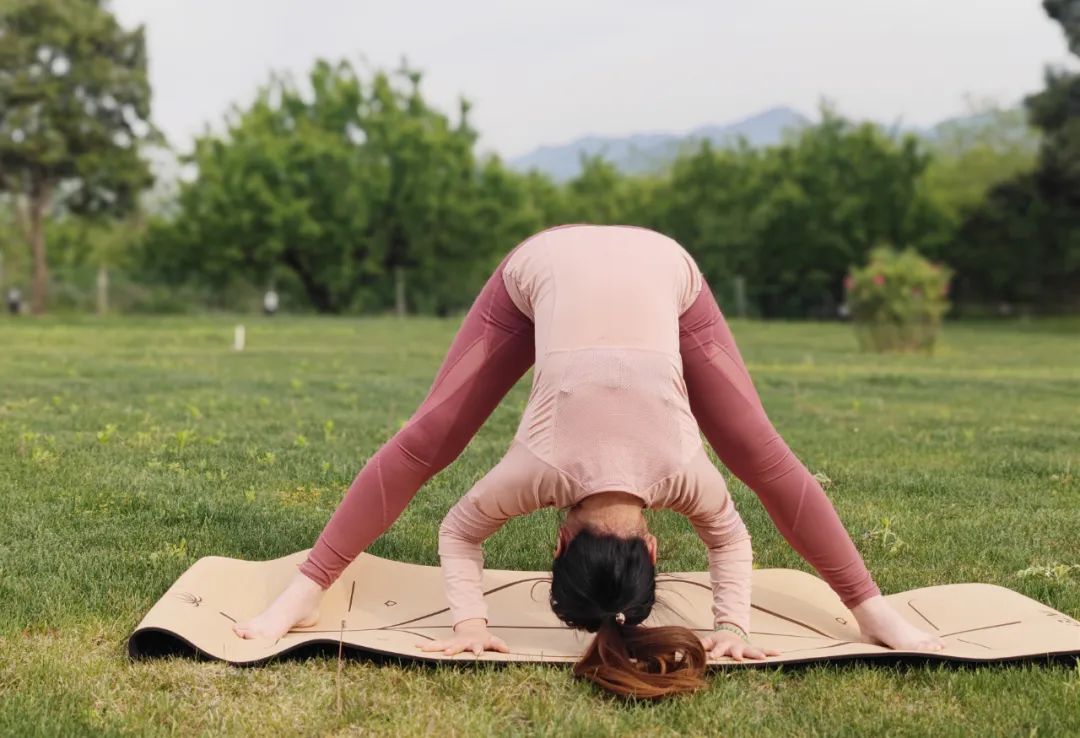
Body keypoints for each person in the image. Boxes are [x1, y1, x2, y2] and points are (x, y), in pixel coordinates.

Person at [233, 226, 944, 691]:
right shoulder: (542, 472)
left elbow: (728, 536)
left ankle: (302, 592)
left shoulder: (680, 478)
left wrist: (731, 630)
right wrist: (735, 628)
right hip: (566, 272)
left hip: (661, 274)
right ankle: (871, 608)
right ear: (561, 539)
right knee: (762, 456)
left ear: (652, 548)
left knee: (432, 439)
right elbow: (461, 532)